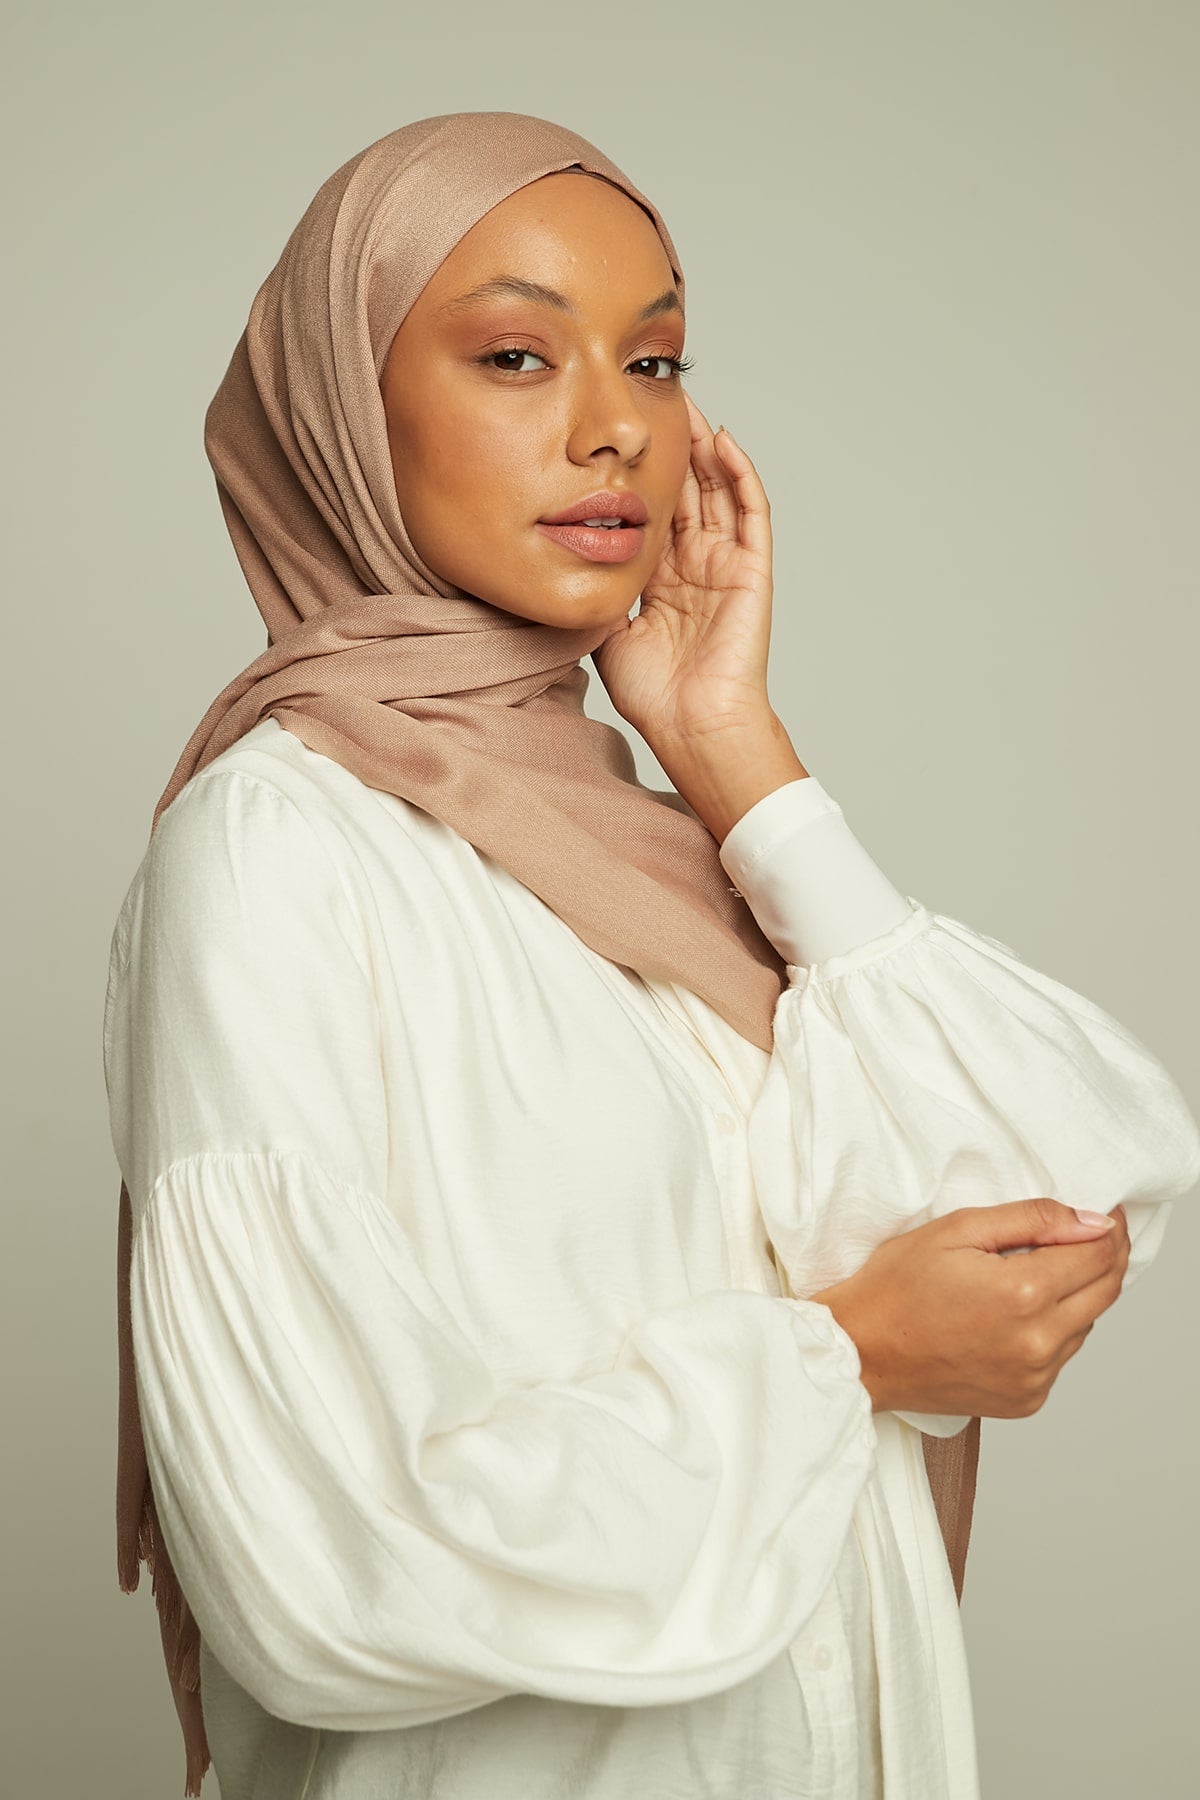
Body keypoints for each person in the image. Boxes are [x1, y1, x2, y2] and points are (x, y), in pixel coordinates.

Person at [102, 112, 1200, 1800]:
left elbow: (1069, 1198)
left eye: (659, 358)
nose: (619, 425)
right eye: (517, 356)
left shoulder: (658, 842)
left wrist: (735, 755)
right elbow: (326, 1566)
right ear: (341, 411)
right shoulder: (280, 848)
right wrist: (849, 1362)